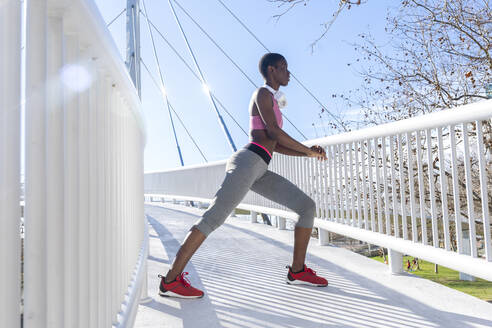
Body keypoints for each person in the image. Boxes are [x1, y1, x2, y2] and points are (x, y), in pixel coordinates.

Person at [157, 53, 328, 299]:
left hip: (261, 168)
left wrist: (309, 154)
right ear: (271, 70)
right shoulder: (262, 94)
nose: (288, 72)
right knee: (212, 219)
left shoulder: (271, 99)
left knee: (306, 207)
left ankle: (297, 270)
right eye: (284, 67)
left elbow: (276, 144)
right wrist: (308, 149)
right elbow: (274, 132)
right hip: (248, 162)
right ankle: (171, 280)